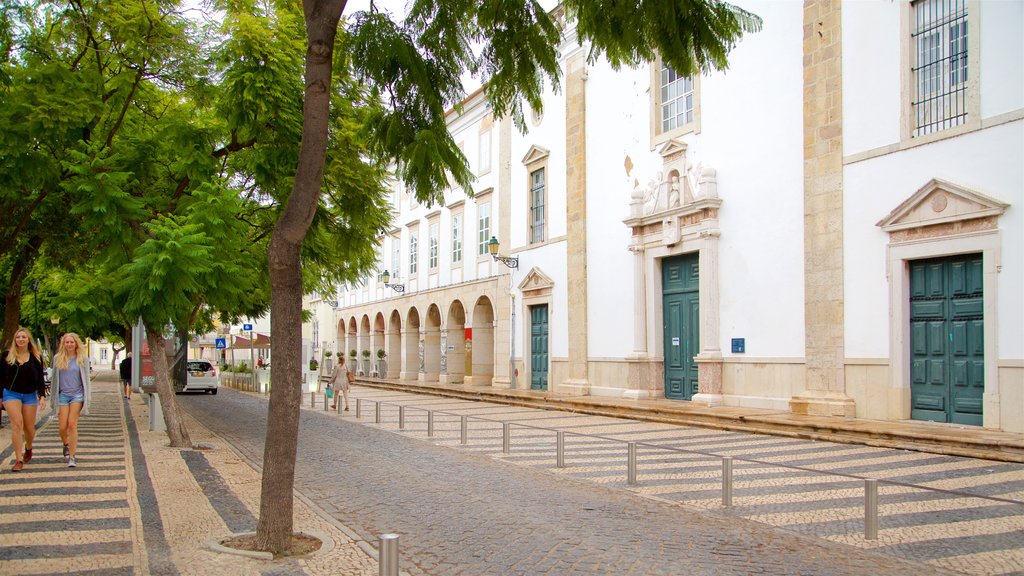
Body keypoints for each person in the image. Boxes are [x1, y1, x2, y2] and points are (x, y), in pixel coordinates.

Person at [1, 328, 48, 471]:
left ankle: (28, 447)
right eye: (18, 337)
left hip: (29, 395)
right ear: (15, 340)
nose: (21, 339)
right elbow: (1, 377)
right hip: (11, 393)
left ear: (28, 340)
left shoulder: (36, 357)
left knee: (29, 428)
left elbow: (40, 378)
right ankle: (18, 459)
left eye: (24, 337)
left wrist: (42, 396)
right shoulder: (7, 356)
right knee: (17, 424)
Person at [53, 332, 91, 468]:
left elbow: (86, 380)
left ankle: (72, 456)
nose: (69, 344)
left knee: (72, 423)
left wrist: (88, 398)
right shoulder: (58, 358)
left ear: (76, 343)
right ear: (63, 344)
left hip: (77, 395)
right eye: (67, 342)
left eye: (71, 342)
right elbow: (54, 381)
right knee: (62, 426)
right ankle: (66, 444)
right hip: (63, 395)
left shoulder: (82, 359)